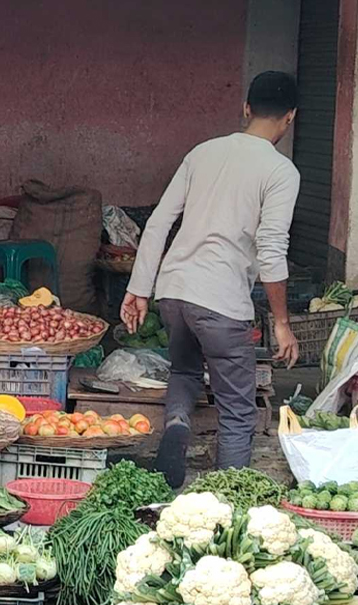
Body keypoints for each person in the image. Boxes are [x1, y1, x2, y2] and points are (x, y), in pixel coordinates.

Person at [120, 70, 303, 488]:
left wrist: (139, 289)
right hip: (221, 302)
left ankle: (178, 425)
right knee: (238, 410)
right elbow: (272, 250)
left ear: (246, 108)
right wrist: (281, 323)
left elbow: (158, 222)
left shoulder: (203, 153)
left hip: (174, 293)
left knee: (184, 372)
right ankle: (226, 497)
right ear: (290, 117)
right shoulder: (281, 172)